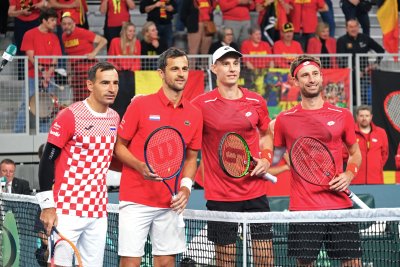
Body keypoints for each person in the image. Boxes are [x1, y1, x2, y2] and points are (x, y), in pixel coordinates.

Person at [114, 47, 203, 267]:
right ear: (161, 73)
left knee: (165, 262)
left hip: (170, 202)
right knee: (130, 263)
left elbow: (191, 158)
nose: (181, 74)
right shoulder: (140, 105)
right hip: (135, 200)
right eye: (174, 69)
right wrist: (139, 166)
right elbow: (119, 147)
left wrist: (185, 188)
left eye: (184, 69)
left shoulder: (194, 114)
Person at [273, 55, 362, 266]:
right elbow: (275, 157)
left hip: (339, 205)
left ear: (322, 77)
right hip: (304, 208)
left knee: (353, 263)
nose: (311, 79)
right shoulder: (284, 120)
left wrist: (349, 174)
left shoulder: (343, 115)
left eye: (315, 74)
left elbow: (355, 153)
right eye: (305, 75)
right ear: (295, 81)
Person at [191, 46, 274, 266]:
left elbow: (266, 133)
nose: (232, 68)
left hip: (255, 192)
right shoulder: (200, 105)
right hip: (221, 196)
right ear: (213, 68)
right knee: (225, 260)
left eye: (235, 63)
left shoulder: (256, 101)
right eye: (226, 64)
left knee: (266, 258)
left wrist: (266, 158)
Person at [35, 61, 120, 266]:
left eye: (115, 83)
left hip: (98, 212)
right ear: (90, 85)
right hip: (66, 211)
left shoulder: (114, 118)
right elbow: (47, 159)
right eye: (105, 82)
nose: (111, 88)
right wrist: (48, 206)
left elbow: (109, 159)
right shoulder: (70, 115)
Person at [15, 7, 62, 133]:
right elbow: (31, 56)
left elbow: (55, 59)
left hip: (48, 76)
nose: (54, 23)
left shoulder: (54, 37)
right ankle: (18, 133)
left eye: (55, 20)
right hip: (32, 76)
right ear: (44, 20)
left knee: (47, 106)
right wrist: (43, 72)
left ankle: (44, 133)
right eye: (52, 20)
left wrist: (48, 74)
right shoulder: (30, 34)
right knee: (26, 104)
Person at [61, 11, 107, 102]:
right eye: (64, 24)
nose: (66, 26)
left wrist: (94, 53)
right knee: (77, 100)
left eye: (69, 24)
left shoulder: (82, 32)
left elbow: (103, 41)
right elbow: (69, 57)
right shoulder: (63, 37)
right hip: (76, 73)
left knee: (91, 99)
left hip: (89, 72)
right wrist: (69, 74)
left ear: (74, 23)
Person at [336, 18, 384, 105]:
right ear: (346, 28)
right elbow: (341, 59)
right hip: (349, 75)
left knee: (364, 96)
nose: (353, 29)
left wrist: (375, 64)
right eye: (350, 27)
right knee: (351, 98)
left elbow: (381, 51)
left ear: (358, 27)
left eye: (355, 26)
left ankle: (365, 114)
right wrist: (355, 71)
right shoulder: (341, 41)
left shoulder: (365, 38)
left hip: (364, 73)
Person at [108, 21, 141, 119]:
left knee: (129, 93)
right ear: (124, 32)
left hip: (131, 73)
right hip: (118, 72)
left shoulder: (137, 43)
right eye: (130, 31)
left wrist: (132, 70)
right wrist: (117, 68)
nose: (132, 33)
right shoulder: (115, 41)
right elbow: (110, 58)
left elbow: (137, 60)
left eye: (133, 31)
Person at [353, 105, 388, 184]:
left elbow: (384, 154)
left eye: (367, 116)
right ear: (357, 117)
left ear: (371, 116)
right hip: (355, 180)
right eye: (361, 116)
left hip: (376, 179)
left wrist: (377, 166)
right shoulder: (351, 132)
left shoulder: (381, 132)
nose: (364, 118)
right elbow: (345, 154)